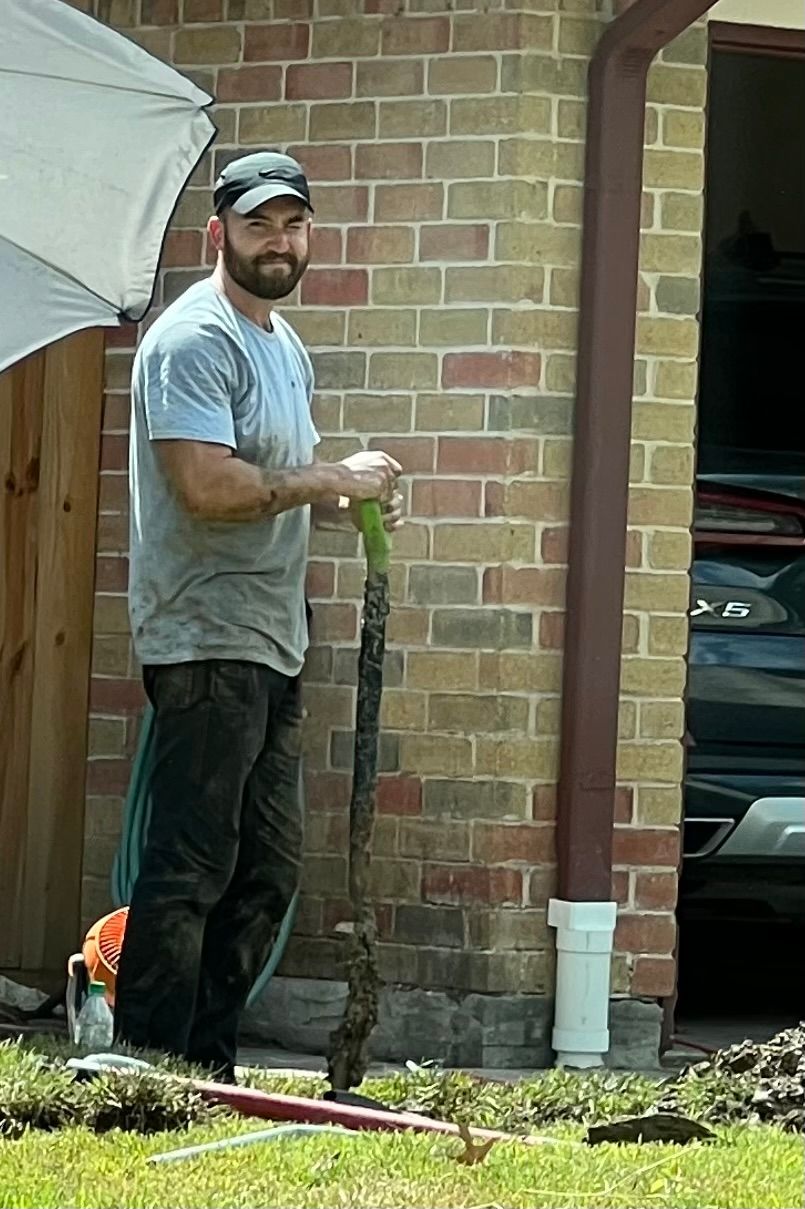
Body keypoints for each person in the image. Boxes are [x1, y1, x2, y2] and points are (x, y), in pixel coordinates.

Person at [115, 151, 403, 1081]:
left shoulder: (282, 344)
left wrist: (352, 495)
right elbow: (206, 487)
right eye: (257, 225)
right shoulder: (193, 339)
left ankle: (210, 1066)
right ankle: (152, 1068)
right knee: (193, 864)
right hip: (204, 634)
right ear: (218, 235)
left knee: (266, 870)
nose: (277, 243)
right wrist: (328, 475)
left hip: (273, 634)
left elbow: (278, 489)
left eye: (292, 225)